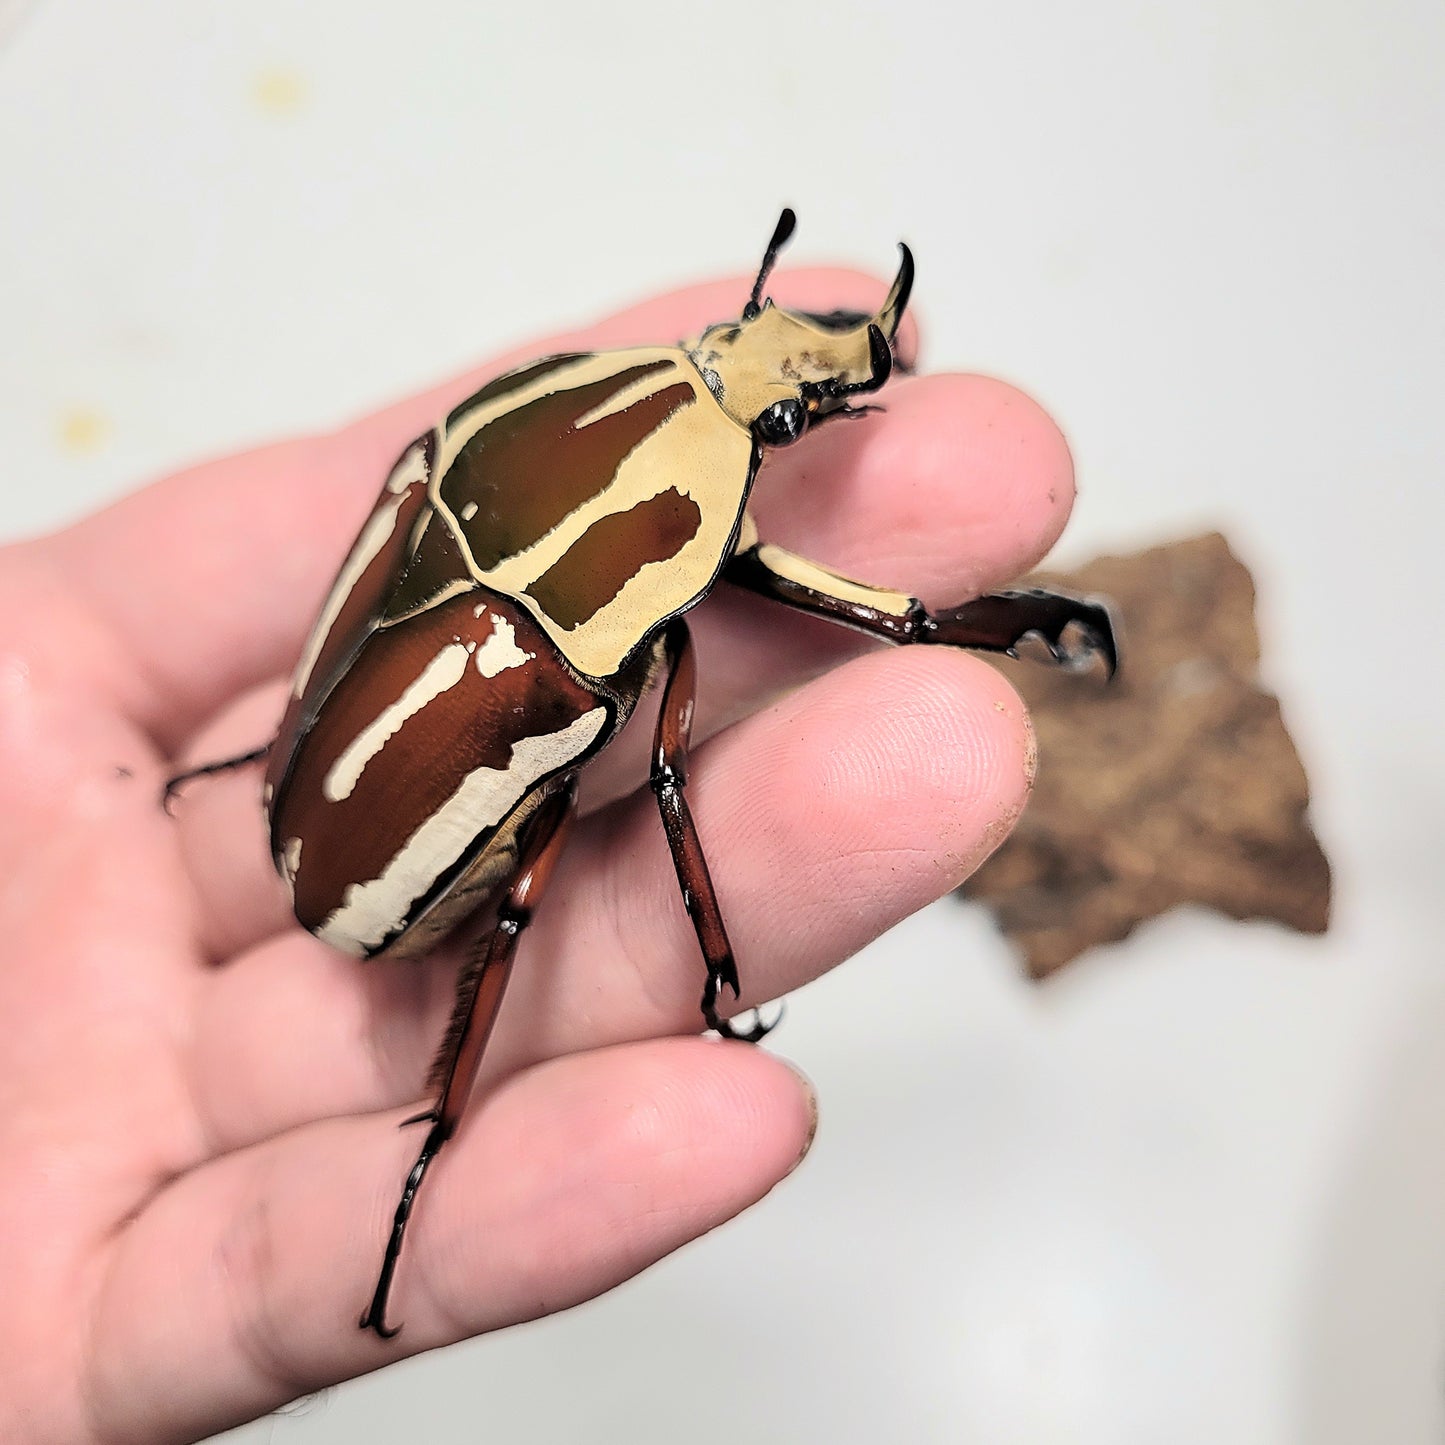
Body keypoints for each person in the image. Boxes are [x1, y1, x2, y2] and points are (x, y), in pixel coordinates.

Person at [0, 264, 1073, 1443]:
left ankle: (442, 1075)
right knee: (528, 898)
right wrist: (715, 960)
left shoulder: (475, 456)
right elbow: (881, 625)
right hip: (370, 869)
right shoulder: (623, 570)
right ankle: (439, 1134)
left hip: (319, 774)